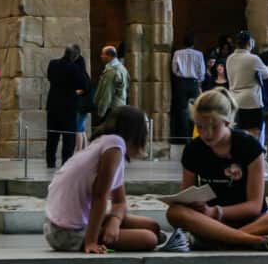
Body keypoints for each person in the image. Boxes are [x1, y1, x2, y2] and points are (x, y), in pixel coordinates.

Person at [165, 87, 268, 251]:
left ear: (227, 122)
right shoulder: (193, 150)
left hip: (249, 219)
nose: (207, 134)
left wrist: (216, 212)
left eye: (213, 127)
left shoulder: (249, 146)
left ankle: (221, 241)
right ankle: (252, 240)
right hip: (209, 221)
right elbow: (186, 197)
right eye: (200, 127)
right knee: (174, 212)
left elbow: (254, 205)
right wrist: (196, 206)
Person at [43, 105, 188, 253]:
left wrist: (114, 221)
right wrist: (91, 242)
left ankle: (106, 234)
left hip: (61, 225)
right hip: (66, 232)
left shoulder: (110, 145)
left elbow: (119, 202)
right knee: (149, 238)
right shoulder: (114, 145)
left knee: (153, 226)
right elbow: (99, 196)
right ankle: (96, 237)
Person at [46, 45, 91, 169]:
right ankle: (66, 161)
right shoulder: (75, 68)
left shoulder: (53, 64)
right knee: (68, 136)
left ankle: (50, 161)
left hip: (53, 104)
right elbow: (86, 85)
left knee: (52, 135)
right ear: (75, 57)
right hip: (68, 105)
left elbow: (49, 77)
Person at [225, 30, 268, 139]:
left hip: (235, 99)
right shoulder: (253, 59)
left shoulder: (229, 58)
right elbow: (266, 74)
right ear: (249, 43)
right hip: (251, 101)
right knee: (254, 132)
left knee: (237, 131)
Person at [171, 33, 206, 146]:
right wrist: (199, 80)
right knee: (195, 110)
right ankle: (194, 136)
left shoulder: (177, 53)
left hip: (181, 83)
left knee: (181, 111)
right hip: (194, 83)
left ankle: (184, 137)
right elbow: (202, 71)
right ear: (193, 43)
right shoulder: (199, 54)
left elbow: (174, 69)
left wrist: (180, 75)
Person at [94, 46, 129, 124]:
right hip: (120, 105)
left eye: (103, 54)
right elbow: (127, 87)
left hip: (110, 108)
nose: (101, 56)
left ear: (109, 56)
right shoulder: (122, 68)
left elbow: (107, 92)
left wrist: (101, 111)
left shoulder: (111, 71)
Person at [73, 49, 92, 152]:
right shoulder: (85, 74)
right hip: (84, 105)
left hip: (80, 105)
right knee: (82, 128)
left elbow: (84, 89)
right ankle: (85, 149)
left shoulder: (81, 75)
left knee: (78, 129)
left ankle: (79, 151)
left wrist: (74, 92)